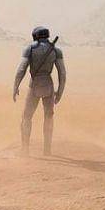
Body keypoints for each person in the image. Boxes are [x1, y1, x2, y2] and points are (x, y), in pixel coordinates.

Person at [13, 26, 66, 156]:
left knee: (26, 117)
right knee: (49, 117)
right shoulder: (56, 50)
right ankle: (47, 150)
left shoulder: (30, 49)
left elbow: (21, 70)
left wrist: (15, 86)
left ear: (35, 36)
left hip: (34, 84)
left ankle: (25, 150)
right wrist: (60, 91)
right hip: (48, 85)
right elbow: (62, 74)